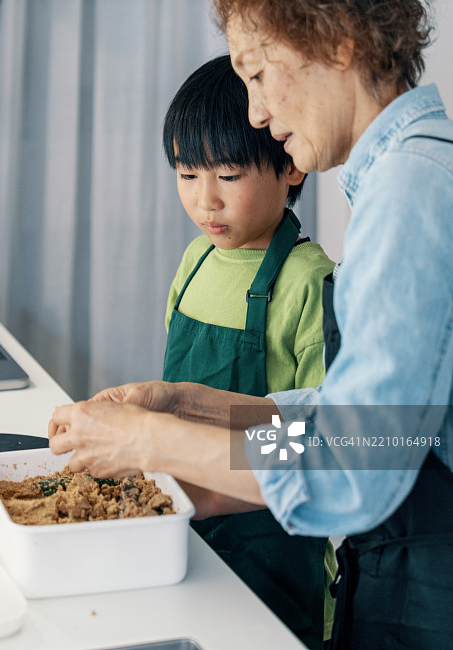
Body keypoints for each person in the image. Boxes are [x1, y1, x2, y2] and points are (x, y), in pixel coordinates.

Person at [49, 0, 453, 649]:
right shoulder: (410, 176)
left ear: (338, 44)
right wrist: (192, 406)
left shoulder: (407, 194)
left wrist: (149, 440)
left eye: (257, 73)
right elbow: (367, 424)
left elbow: (359, 461)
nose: (257, 113)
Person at [161, 53, 335, 648]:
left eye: (228, 176)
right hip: (187, 527)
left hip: (274, 544)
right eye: (188, 174)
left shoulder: (309, 279)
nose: (205, 200)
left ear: (291, 167)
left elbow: (323, 438)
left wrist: (211, 489)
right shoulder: (195, 261)